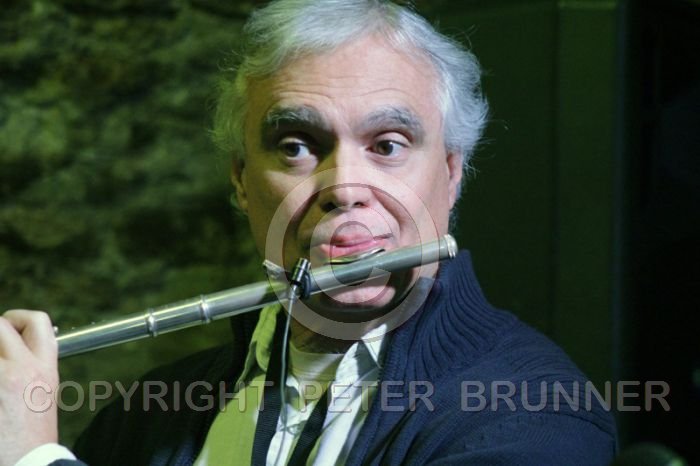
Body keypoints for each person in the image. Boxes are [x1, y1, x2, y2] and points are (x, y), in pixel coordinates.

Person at [0, 0, 617, 465]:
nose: (344, 187)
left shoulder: (532, 414)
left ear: (451, 174)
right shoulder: (153, 411)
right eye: (296, 146)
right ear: (242, 181)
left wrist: (34, 458)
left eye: (387, 145)